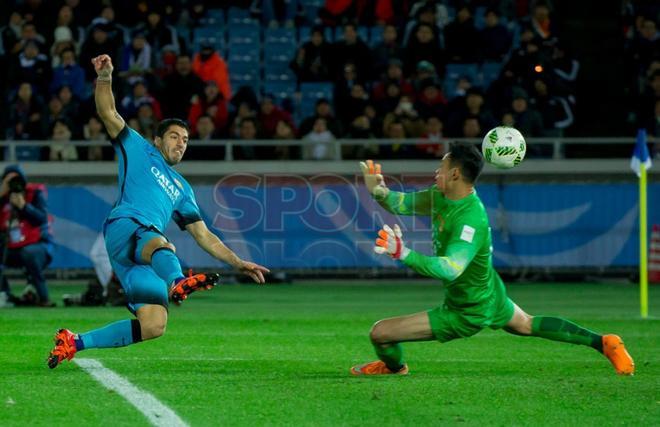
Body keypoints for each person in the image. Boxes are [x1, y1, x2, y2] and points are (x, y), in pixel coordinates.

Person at [47, 54, 270, 369]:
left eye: (186, 140)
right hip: (126, 226)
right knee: (163, 244)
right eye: (175, 137)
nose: (181, 144)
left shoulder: (182, 189)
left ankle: (74, 341)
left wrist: (237, 261)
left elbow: (204, 234)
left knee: (153, 325)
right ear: (157, 140)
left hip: (139, 255)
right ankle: (178, 280)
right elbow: (107, 112)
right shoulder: (139, 148)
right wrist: (106, 77)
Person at [350, 144, 635, 376]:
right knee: (527, 324)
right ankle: (604, 342)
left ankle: (394, 367)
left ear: (455, 174)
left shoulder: (470, 218)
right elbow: (402, 203)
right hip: (488, 289)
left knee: (380, 333)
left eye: (442, 167)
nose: (437, 171)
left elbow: (450, 269)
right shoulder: (441, 195)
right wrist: (379, 191)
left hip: (467, 309)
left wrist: (403, 253)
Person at [0, 165, 54, 307]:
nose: (13, 184)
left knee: (29, 253)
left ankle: (44, 298)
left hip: (38, 245)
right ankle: (4, 294)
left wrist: (24, 206)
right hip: (11, 248)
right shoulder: (3, 199)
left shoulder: (35, 193)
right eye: (9, 181)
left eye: (16, 180)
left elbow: (41, 218)